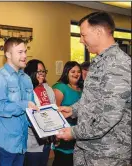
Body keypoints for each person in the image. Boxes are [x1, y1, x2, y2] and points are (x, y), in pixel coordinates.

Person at [56, 11, 131, 166]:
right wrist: (73, 110)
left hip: (108, 153)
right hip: (86, 146)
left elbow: (109, 116)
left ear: (98, 32)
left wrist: (73, 132)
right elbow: (93, 99)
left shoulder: (118, 65)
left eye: (83, 35)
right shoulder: (98, 62)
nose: (81, 41)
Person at [0, 37, 38, 166]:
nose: (25, 56)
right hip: (4, 144)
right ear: (8, 54)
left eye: (25, 52)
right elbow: (0, 108)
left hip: (21, 143)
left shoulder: (26, 79)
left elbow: (31, 108)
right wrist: (24, 105)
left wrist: (44, 124)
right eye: (20, 52)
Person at [23, 59, 56, 166]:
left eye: (43, 71)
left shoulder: (48, 89)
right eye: (39, 71)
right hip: (32, 142)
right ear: (31, 72)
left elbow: (54, 111)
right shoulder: (25, 90)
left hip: (47, 140)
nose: (42, 74)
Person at [52, 61, 83, 166]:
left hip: (79, 132)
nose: (76, 74)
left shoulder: (82, 88)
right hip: (64, 131)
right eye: (72, 71)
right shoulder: (60, 88)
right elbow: (54, 113)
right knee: (63, 160)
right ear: (66, 72)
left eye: (79, 71)